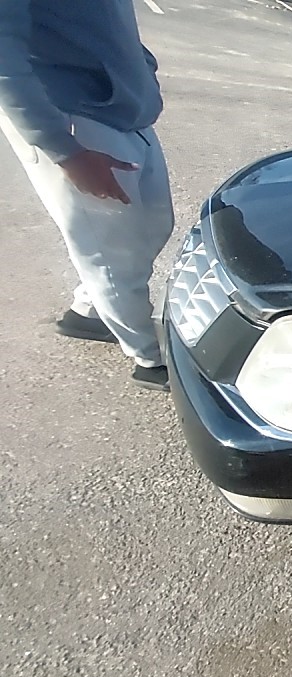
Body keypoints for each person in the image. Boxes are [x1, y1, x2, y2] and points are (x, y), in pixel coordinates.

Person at [0, 0, 174, 391]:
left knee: (155, 226)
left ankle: (91, 312)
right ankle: (150, 358)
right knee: (113, 252)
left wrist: (143, 71)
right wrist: (65, 151)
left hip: (126, 111)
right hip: (73, 117)